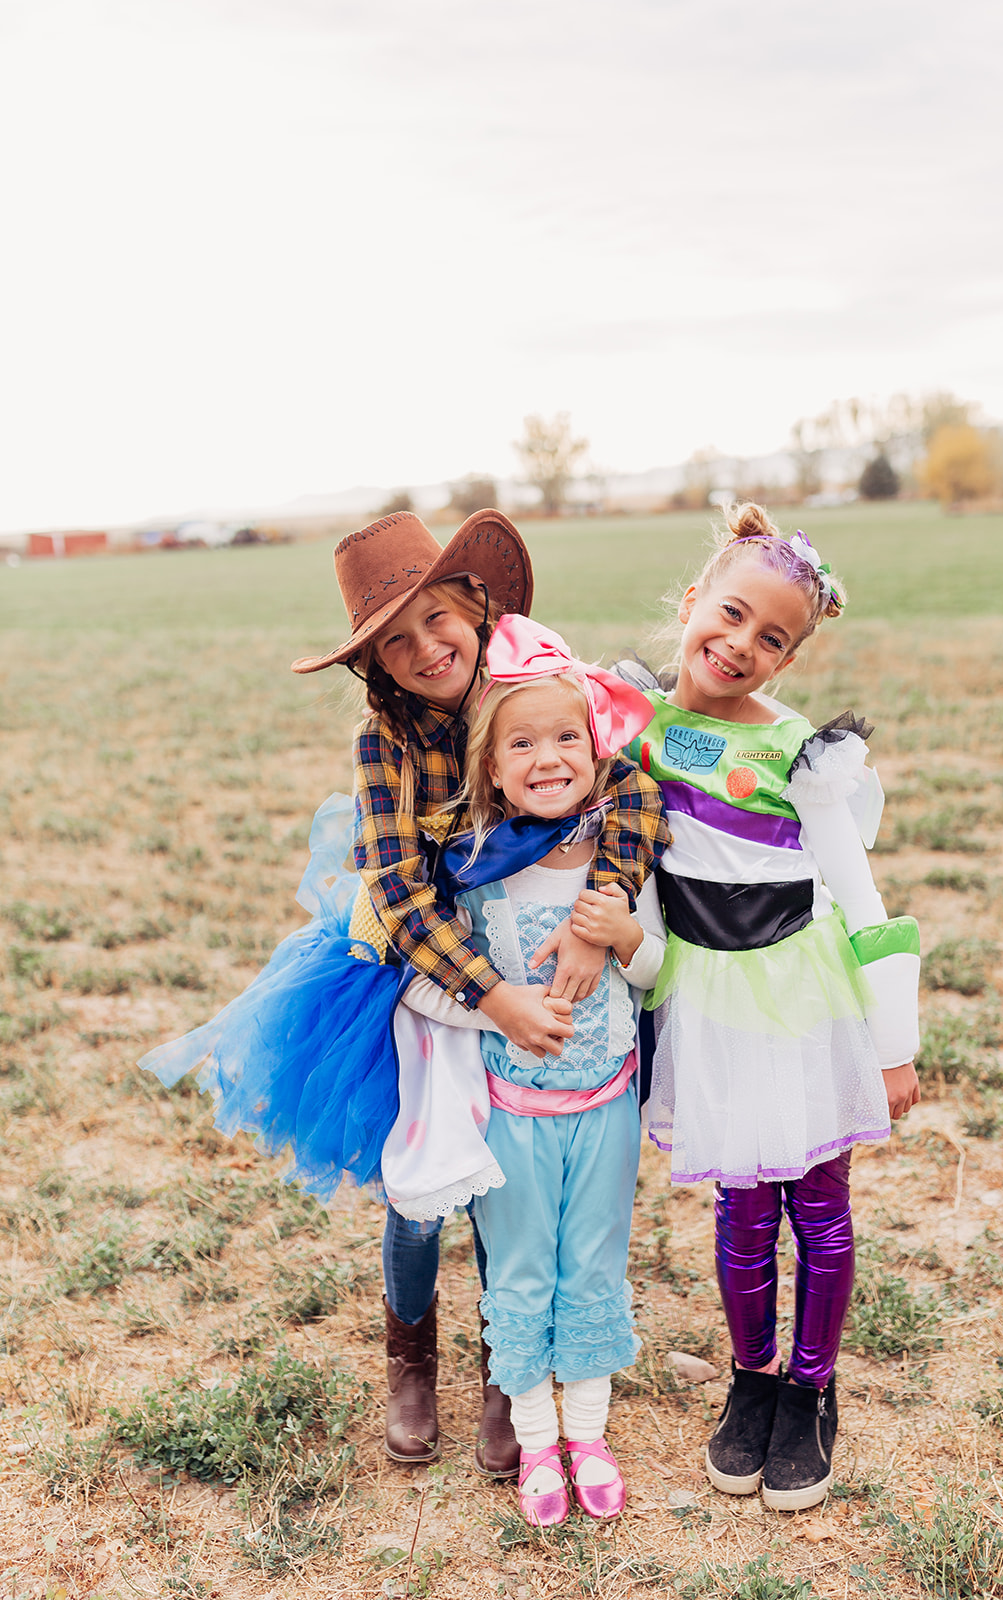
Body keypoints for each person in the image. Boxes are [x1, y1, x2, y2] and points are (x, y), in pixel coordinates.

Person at [141, 509, 670, 1480]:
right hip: (422, 976)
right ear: (373, 664)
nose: (427, 647)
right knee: (424, 1179)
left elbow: (632, 790)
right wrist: (493, 999)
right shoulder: (383, 743)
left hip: (537, 947)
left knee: (506, 1177)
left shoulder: (540, 687)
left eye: (437, 618)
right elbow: (400, 894)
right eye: (396, 639)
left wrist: (605, 898)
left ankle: (508, 1370)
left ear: (474, 603)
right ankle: (410, 1360)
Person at [619, 503, 920, 1513]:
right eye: (731, 614)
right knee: (741, 1204)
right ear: (693, 598)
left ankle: (810, 1389)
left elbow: (863, 899)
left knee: (817, 1204)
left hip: (802, 996)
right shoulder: (633, 725)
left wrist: (892, 1046)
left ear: (788, 658)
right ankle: (749, 1384)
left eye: (772, 637)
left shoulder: (802, 755)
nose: (740, 645)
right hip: (703, 998)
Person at [401, 614, 667, 1526]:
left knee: (591, 1264)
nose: (547, 756)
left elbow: (657, 970)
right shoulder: (475, 872)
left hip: (605, 1108)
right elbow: (426, 990)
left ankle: (586, 1434)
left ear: (596, 748)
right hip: (509, 1114)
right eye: (522, 742)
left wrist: (619, 933)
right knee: (518, 1274)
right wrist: (497, 1001)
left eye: (566, 736)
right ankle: (534, 1442)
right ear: (491, 766)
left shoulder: (623, 859)